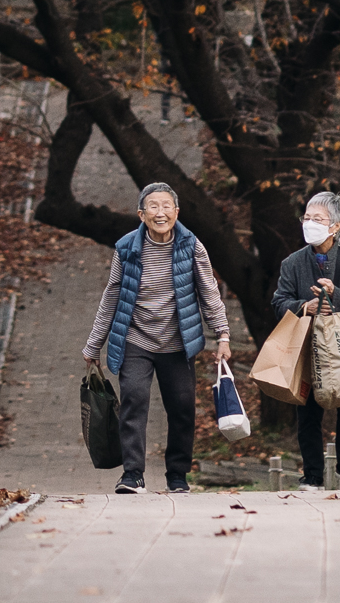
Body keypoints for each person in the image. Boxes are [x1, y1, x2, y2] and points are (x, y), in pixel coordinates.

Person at [82, 182, 231, 494]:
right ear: (141, 214)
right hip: (137, 339)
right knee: (134, 399)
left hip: (178, 342)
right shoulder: (126, 248)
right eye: (153, 206)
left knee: (182, 407)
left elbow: (209, 292)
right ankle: (132, 474)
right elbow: (111, 297)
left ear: (177, 212)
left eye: (166, 206)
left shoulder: (192, 247)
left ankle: (177, 475)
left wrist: (223, 334)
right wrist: (93, 344)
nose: (160, 212)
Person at [273, 192, 340, 489]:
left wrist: (336, 295)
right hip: (307, 346)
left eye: (318, 219)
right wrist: (306, 306)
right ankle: (312, 474)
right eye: (307, 218)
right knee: (307, 410)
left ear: (335, 227)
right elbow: (279, 302)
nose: (310, 224)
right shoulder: (292, 263)